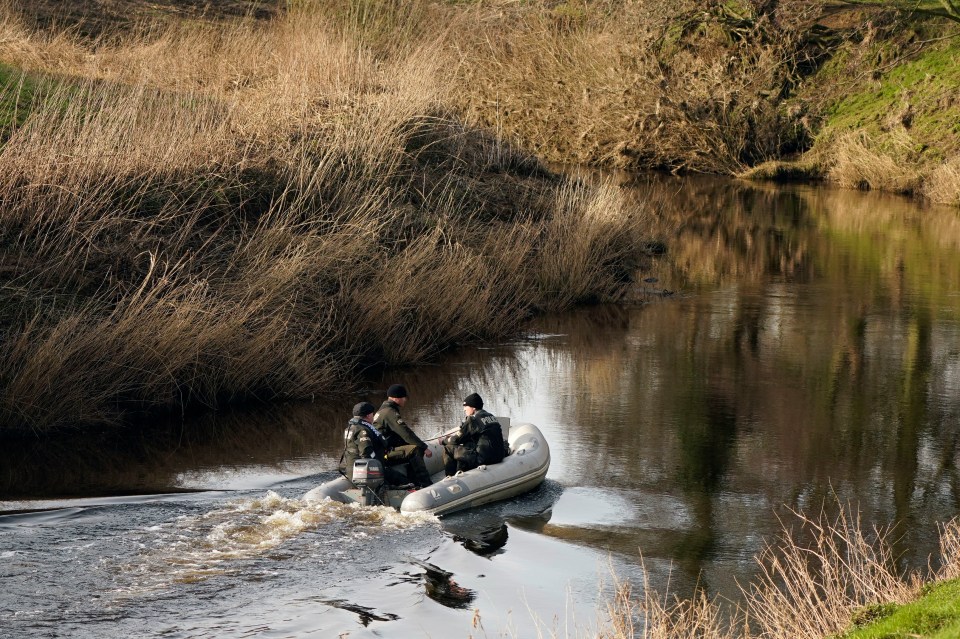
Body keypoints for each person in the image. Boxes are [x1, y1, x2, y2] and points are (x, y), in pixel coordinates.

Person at [373, 384, 433, 488]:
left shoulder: (384, 410)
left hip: (384, 450)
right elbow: (405, 433)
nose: (405, 400)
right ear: (396, 398)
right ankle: (425, 483)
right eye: (403, 397)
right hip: (385, 453)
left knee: (410, 448)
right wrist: (424, 447)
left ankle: (413, 482)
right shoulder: (390, 413)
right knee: (415, 449)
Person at [339, 401, 404, 484]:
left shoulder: (349, 428)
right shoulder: (363, 430)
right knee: (401, 479)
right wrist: (379, 465)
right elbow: (366, 452)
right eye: (372, 414)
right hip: (365, 470)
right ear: (368, 415)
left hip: (351, 467)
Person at [442, 393, 506, 476]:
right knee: (468, 444)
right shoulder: (491, 416)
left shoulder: (473, 419)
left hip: (483, 459)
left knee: (448, 448)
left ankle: (450, 478)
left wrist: (444, 440)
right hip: (499, 456)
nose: (464, 410)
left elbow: (456, 439)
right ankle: (463, 470)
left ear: (473, 407)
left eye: (466, 407)